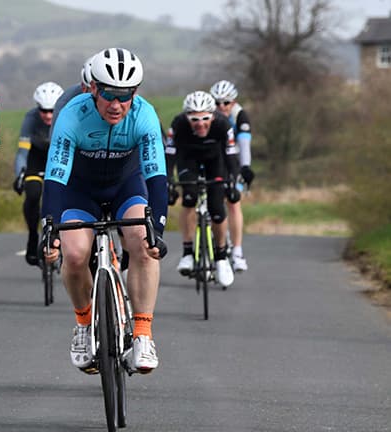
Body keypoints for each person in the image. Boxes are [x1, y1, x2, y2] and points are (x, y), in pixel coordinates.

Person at [41, 47, 168, 374]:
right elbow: (55, 175)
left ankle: (142, 334)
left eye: (124, 96)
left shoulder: (144, 115)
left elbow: (156, 175)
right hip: (80, 191)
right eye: (109, 94)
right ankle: (84, 325)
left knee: (143, 242)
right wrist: (50, 227)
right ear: (94, 89)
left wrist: (158, 228)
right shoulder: (72, 115)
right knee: (74, 254)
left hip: (126, 186)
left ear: (134, 94)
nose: (116, 105)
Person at [165, 90, 240, 288]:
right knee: (189, 199)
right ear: (186, 118)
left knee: (217, 209)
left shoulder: (223, 124)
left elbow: (231, 155)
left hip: (215, 162)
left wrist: (233, 181)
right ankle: (187, 253)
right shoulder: (178, 124)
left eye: (205, 118)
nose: (200, 124)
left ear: (213, 116)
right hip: (188, 160)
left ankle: (221, 256)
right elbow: (170, 153)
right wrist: (168, 180)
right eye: (194, 120)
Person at [14, 81, 64, 266]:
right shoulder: (31, 118)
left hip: (57, 156)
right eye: (44, 111)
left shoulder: (66, 116)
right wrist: (20, 174)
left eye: (52, 111)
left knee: (60, 195)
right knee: (33, 193)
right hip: (36, 158)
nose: (48, 115)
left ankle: (57, 235)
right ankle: (33, 235)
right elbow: (22, 152)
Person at [210, 80, 254, 271]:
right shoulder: (207, 114)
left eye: (226, 102)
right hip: (212, 158)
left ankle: (237, 251)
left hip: (232, 160)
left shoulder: (240, 115)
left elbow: (244, 145)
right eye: (217, 103)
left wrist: (245, 167)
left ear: (233, 102)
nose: (221, 107)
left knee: (233, 202)